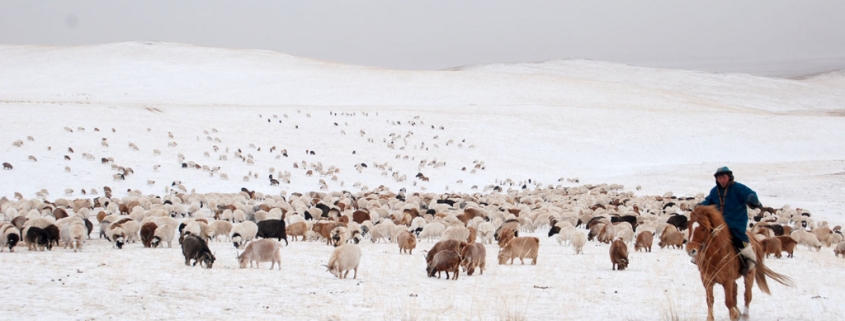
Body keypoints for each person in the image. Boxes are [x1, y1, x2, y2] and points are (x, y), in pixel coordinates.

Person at [699, 166, 762, 275]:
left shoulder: (738, 188)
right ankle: (700, 258)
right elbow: (708, 201)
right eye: (719, 178)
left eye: (723, 177)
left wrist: (752, 198)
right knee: (705, 236)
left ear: (729, 177)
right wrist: (699, 207)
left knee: (739, 239)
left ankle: (750, 260)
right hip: (718, 224)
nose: (721, 180)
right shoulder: (715, 191)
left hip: (736, 223)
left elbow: (749, 194)